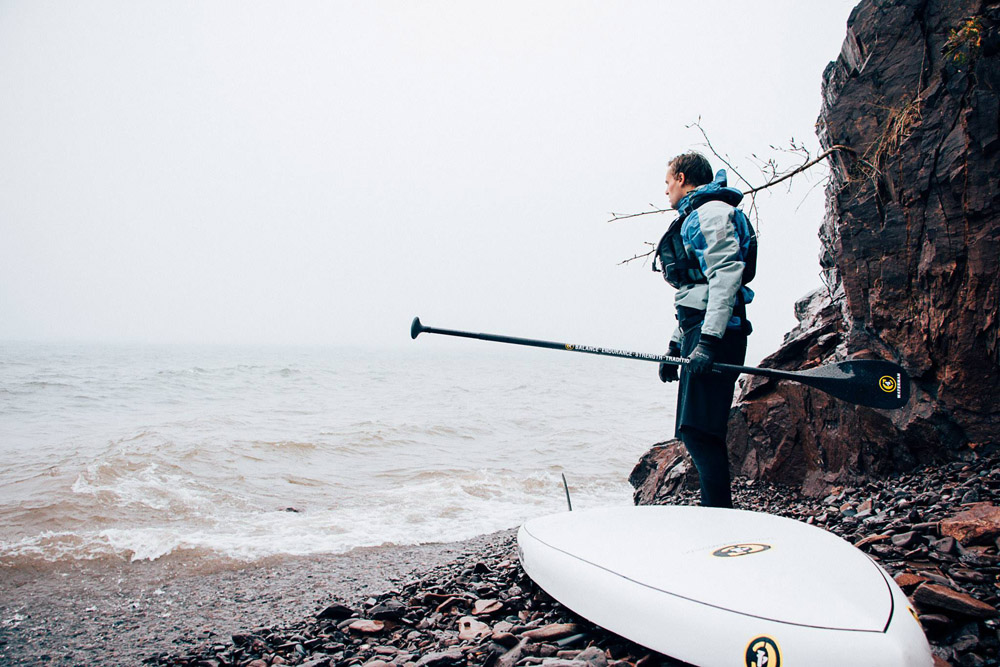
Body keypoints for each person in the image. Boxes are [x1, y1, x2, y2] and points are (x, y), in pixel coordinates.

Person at [654, 151, 754, 509]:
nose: (666, 190)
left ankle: (718, 515)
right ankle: (716, 512)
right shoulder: (697, 215)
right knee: (695, 430)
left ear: (682, 178)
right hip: (702, 332)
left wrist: (709, 342)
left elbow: (726, 277)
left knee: (700, 431)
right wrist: (674, 348)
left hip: (719, 333)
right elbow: (696, 293)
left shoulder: (709, 214)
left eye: (668, 182)